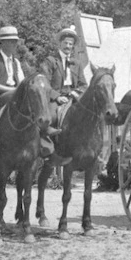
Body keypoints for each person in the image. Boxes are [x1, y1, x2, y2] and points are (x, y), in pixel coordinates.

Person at [0, 26, 58, 158]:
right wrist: (15, 91)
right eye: (10, 41)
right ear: (1, 43)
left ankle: (43, 138)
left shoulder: (16, 62)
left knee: (35, 103)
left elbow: (22, 82)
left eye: (15, 41)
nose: (13, 44)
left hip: (16, 96)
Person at [39, 25, 88, 168]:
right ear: (60, 44)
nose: (67, 46)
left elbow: (84, 85)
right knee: (50, 119)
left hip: (72, 99)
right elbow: (44, 83)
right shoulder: (50, 61)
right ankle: (47, 152)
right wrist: (56, 96)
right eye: (65, 43)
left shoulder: (77, 64)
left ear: (73, 47)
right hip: (55, 99)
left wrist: (74, 93)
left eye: (70, 44)